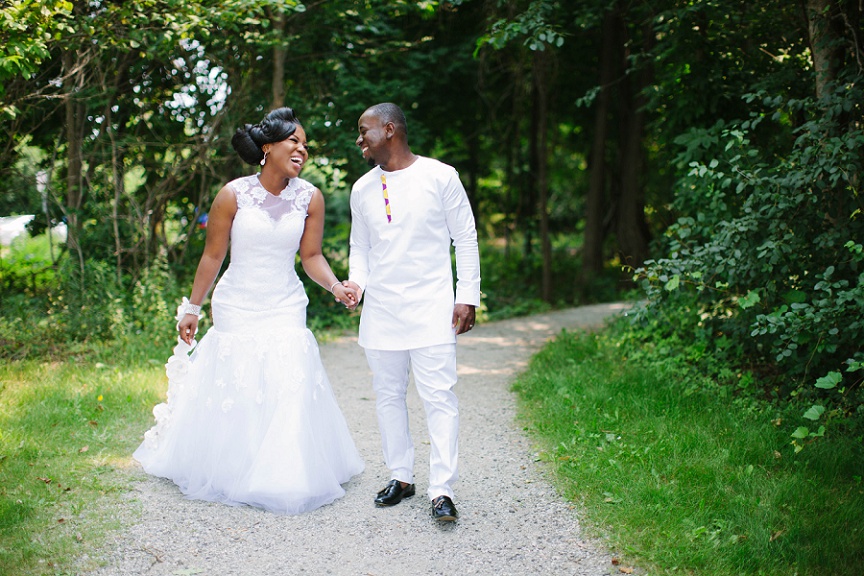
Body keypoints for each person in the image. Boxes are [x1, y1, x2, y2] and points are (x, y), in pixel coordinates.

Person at [134, 107, 364, 515]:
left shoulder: (310, 197)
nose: (302, 150)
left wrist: (335, 286)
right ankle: (233, 466)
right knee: (239, 383)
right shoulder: (232, 194)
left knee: (287, 378)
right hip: (237, 302)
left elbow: (310, 256)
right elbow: (213, 257)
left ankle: (284, 473)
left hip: (285, 303)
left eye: (305, 145)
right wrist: (192, 307)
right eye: (294, 141)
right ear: (268, 147)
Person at [343, 103, 481, 522]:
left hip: (432, 306)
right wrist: (356, 286)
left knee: (439, 397)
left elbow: (466, 238)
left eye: (364, 131)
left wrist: (467, 295)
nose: (359, 139)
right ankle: (401, 476)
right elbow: (360, 248)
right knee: (387, 395)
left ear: (389, 130)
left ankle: (441, 489)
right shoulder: (362, 189)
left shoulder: (441, 176)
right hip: (382, 309)